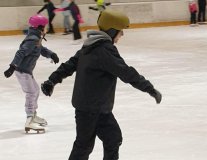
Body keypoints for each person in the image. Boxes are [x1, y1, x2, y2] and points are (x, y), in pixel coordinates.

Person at [41, 10, 162, 160]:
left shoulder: (91, 46)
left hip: (96, 107)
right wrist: (149, 88)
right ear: (112, 31)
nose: (122, 35)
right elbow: (126, 72)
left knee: (111, 139)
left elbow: (70, 65)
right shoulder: (104, 50)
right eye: (120, 31)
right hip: (91, 108)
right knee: (85, 146)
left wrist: (52, 80)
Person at [4, 14, 60, 133]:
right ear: (39, 27)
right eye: (44, 26)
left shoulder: (35, 38)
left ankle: (33, 115)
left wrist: (51, 54)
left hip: (26, 71)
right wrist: (12, 67)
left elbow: (41, 49)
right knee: (31, 92)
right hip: (22, 71)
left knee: (35, 90)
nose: (46, 29)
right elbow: (21, 53)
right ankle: (29, 120)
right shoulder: (32, 40)